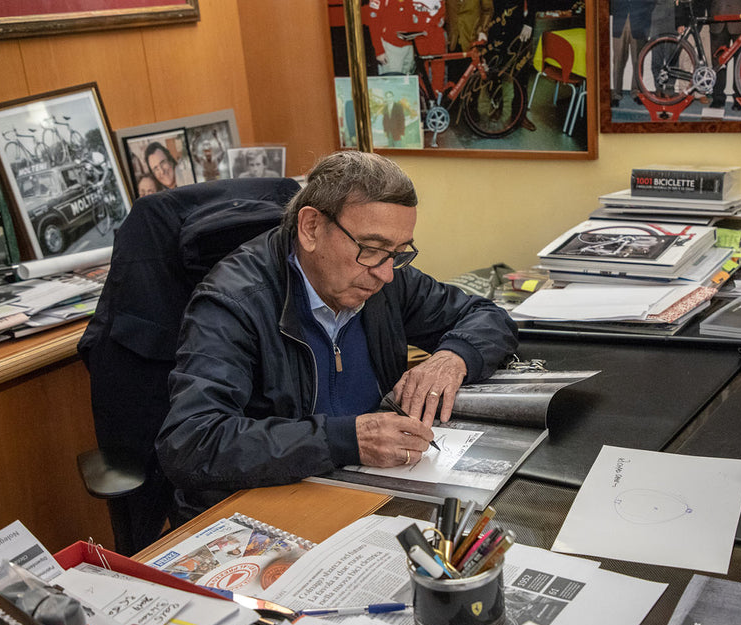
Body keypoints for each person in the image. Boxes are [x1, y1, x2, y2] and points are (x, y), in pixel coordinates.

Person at [156, 151, 518, 521]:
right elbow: (192, 442)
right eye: (372, 249)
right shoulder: (233, 303)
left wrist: (451, 357)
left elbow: (486, 316)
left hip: (362, 492)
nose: (386, 273)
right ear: (311, 228)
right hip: (258, 510)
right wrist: (345, 440)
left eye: (397, 253)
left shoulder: (382, 277)